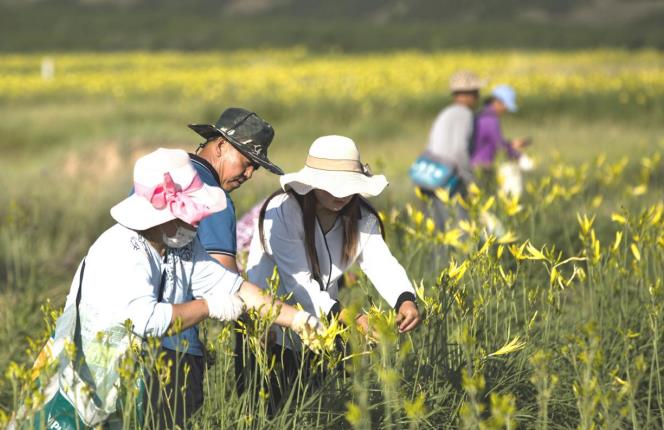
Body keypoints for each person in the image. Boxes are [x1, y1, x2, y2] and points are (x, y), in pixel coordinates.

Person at [24, 148, 321, 429]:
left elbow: (234, 287)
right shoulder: (124, 250)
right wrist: (209, 307)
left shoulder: (180, 247)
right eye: (192, 215)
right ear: (164, 214)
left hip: (132, 376)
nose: (197, 223)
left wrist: (298, 320)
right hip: (90, 373)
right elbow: (146, 320)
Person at [242, 135, 421, 411]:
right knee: (268, 412)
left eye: (347, 188)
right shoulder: (283, 211)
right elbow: (298, 282)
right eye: (329, 188)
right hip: (271, 326)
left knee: (317, 409)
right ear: (311, 184)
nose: (339, 195)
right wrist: (351, 317)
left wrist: (405, 299)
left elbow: (381, 263)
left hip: (325, 328)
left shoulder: (362, 216)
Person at [410, 70, 485, 231]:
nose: (478, 97)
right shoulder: (464, 114)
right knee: (459, 228)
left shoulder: (445, 112)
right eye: (477, 93)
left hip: (429, 176)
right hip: (448, 179)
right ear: (468, 95)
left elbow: (431, 144)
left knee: (436, 230)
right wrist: (469, 178)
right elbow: (459, 149)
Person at [471, 84, 530, 193]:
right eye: (505, 106)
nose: (506, 110)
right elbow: (499, 146)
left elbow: (490, 141)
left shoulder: (481, 115)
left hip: (474, 165)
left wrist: (511, 144)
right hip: (481, 168)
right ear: (497, 102)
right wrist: (519, 156)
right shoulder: (490, 119)